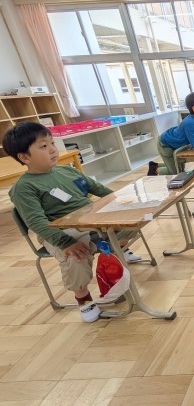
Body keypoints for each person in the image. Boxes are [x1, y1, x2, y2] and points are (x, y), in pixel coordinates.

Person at [3, 122, 144, 322]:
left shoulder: (68, 171)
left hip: (90, 220)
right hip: (59, 231)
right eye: (43, 146)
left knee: (133, 221)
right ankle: (83, 298)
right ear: (25, 157)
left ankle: (116, 251)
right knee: (75, 254)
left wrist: (126, 202)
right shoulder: (23, 188)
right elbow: (36, 222)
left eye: (52, 143)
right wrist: (65, 242)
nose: (52, 149)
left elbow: (101, 191)